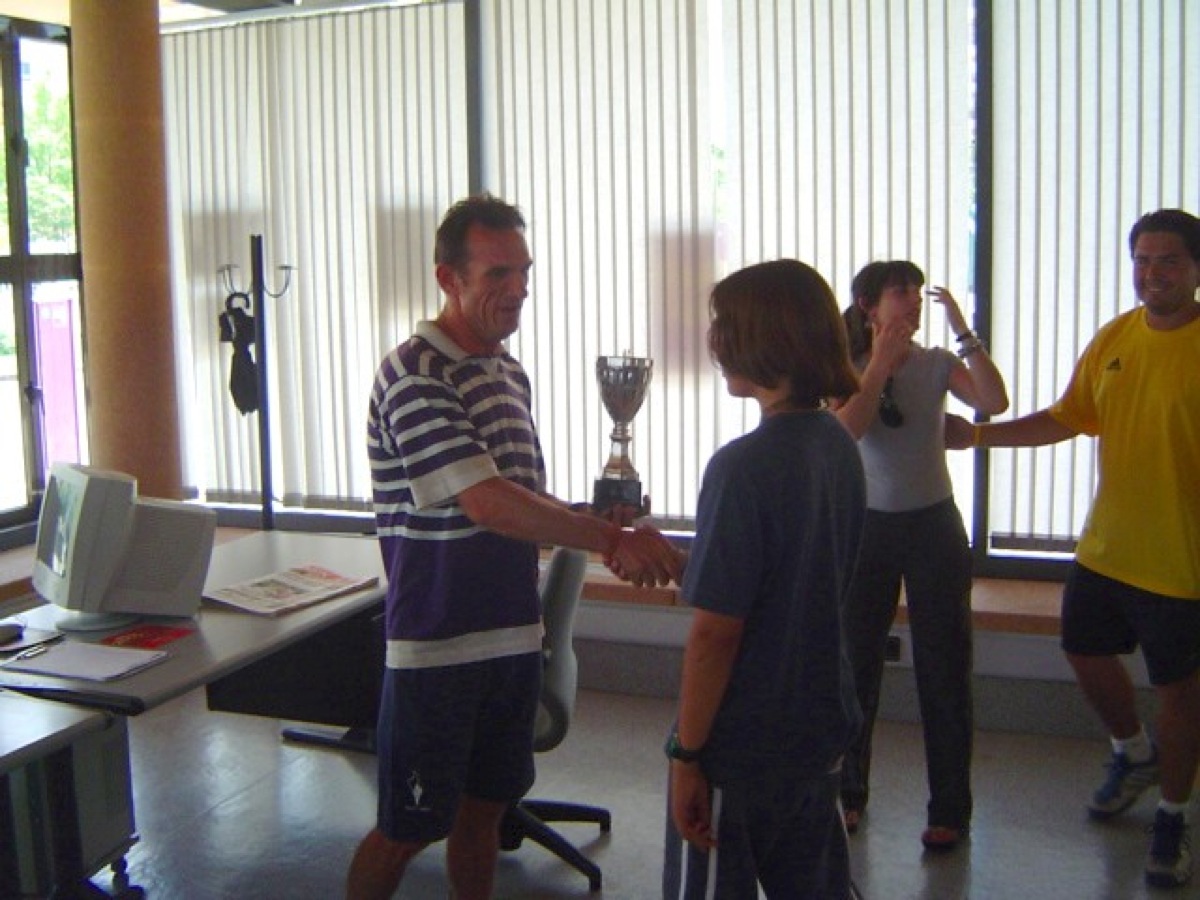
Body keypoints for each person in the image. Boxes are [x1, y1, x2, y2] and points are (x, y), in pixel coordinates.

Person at [347, 194, 683, 900]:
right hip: (438, 647)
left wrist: (593, 515)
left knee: (484, 815)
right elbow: (487, 504)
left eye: (524, 271)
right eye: (498, 273)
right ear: (449, 278)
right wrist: (611, 539)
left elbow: (519, 495)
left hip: (512, 638)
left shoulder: (506, 371)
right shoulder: (415, 374)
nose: (519, 288)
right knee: (407, 828)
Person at [949, 209, 1200, 889]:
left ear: (1195, 269)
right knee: (1084, 650)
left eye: (1168, 260)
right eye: (1142, 260)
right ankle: (1134, 753)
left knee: (1180, 692)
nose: (1152, 273)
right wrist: (977, 437)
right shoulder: (1116, 336)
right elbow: (1068, 417)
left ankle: (1173, 816)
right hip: (1107, 547)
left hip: (1182, 562)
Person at [658, 259, 866, 899]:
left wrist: (687, 754)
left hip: (742, 745)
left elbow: (716, 635)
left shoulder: (741, 468)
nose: (714, 340)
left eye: (724, 325)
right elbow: (794, 576)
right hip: (816, 730)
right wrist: (695, 562)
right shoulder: (836, 446)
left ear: (767, 339)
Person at [834, 261, 1009, 850]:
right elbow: (845, 433)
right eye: (900, 291)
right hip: (868, 527)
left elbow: (994, 400)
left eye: (917, 290)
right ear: (869, 305)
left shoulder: (935, 363)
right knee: (856, 662)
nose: (913, 300)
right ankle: (848, 794)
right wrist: (879, 363)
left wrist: (963, 331)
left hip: (934, 526)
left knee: (945, 667)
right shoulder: (846, 366)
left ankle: (950, 810)